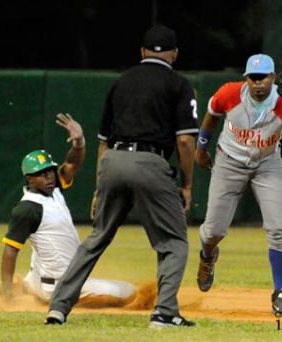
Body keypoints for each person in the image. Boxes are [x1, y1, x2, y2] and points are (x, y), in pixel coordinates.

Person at [46, 25, 199, 328]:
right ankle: (165, 313)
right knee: (174, 242)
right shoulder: (180, 84)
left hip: (113, 161)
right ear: (175, 54)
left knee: (97, 237)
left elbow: (103, 141)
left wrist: (97, 188)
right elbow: (184, 141)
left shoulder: (121, 82)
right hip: (150, 162)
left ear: (142, 52)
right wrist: (187, 185)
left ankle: (58, 307)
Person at [195, 54, 282, 317]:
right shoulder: (229, 93)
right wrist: (201, 147)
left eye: (263, 77)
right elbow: (211, 115)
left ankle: (280, 293)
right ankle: (207, 256)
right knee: (213, 231)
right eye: (253, 77)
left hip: (267, 164)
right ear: (246, 79)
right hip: (229, 161)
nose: (258, 83)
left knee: (278, 228)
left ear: (273, 78)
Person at [0, 113, 136, 306]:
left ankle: (27, 286)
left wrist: (79, 142)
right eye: (41, 174)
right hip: (59, 286)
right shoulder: (28, 208)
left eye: (49, 171)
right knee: (130, 293)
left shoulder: (53, 189)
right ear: (29, 179)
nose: (48, 177)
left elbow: (72, 164)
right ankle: (20, 290)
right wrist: (7, 295)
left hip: (39, 279)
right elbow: (10, 251)